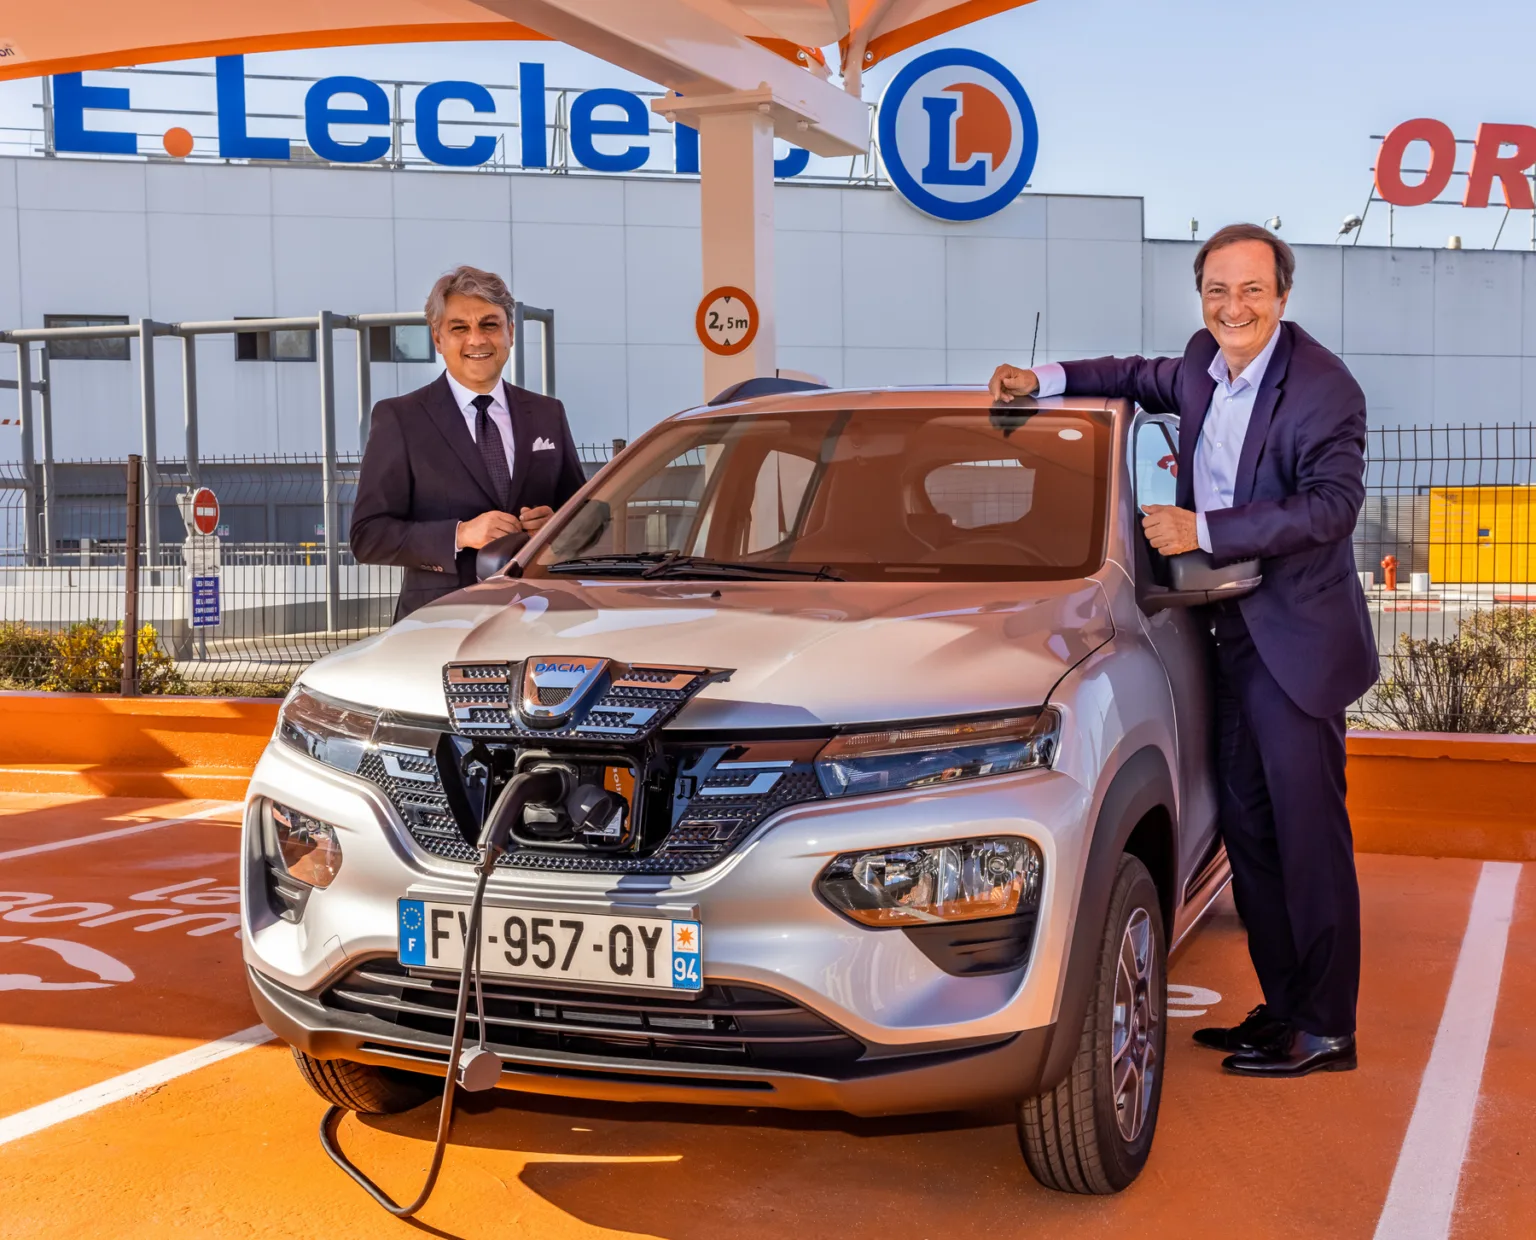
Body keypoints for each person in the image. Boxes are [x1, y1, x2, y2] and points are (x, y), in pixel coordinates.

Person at [989, 223, 1379, 1078]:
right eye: (1217, 290)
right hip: (1227, 631)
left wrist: (1204, 529)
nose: (1233, 307)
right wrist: (1042, 379)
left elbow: (1331, 508)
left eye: (1251, 291)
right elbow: (1132, 375)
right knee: (1248, 829)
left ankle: (1326, 1028)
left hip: (1297, 641)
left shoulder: (1324, 388)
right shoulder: (1204, 361)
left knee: (1307, 837)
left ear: (1282, 296)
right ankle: (1284, 1009)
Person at [351, 265, 586, 618]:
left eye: (489, 325)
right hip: (439, 622)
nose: (476, 339)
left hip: (538, 616)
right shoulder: (401, 418)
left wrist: (557, 526)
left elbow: (586, 521)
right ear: (437, 339)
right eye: (459, 328)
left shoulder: (547, 413)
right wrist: (460, 534)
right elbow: (368, 537)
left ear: (510, 332)